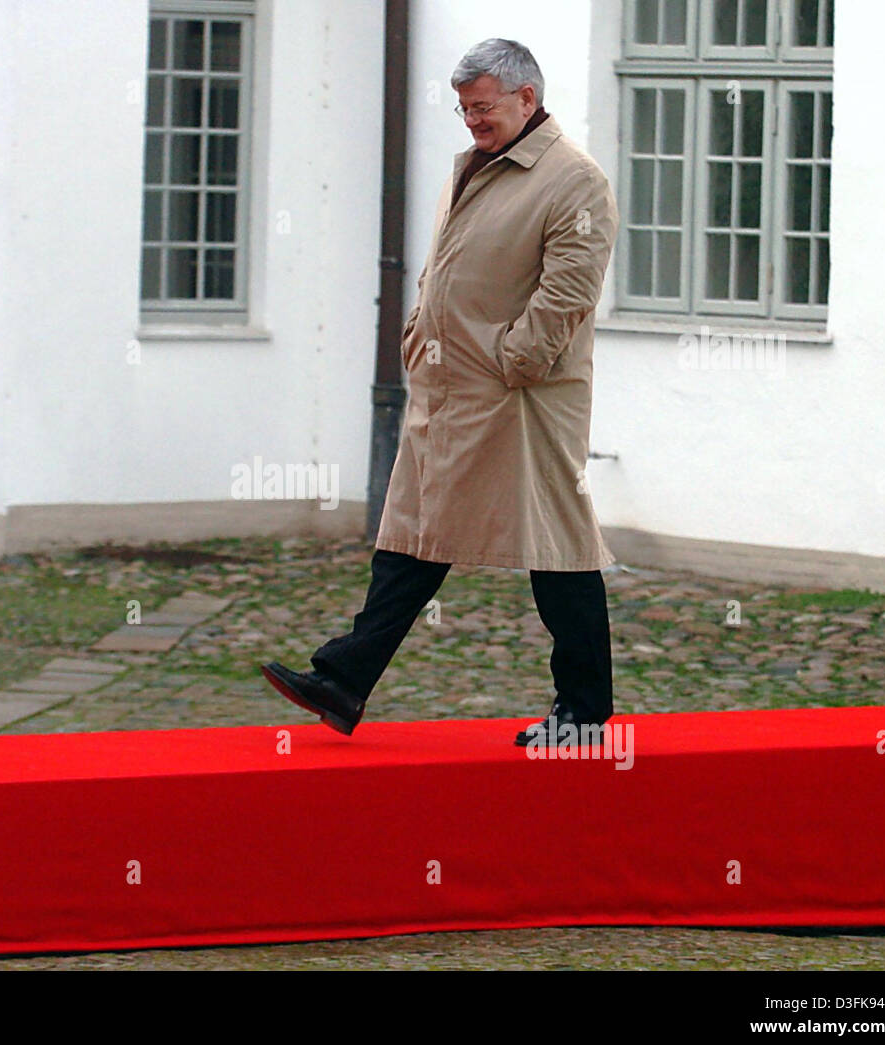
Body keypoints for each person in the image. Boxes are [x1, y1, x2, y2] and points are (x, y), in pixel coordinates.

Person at [262, 38, 619, 748]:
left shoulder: (573, 179)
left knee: (555, 545)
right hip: (451, 388)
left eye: (482, 107)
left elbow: (570, 289)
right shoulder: (480, 165)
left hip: (522, 399)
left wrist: (513, 360)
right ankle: (345, 676)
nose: (471, 122)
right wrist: (421, 332)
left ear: (527, 97)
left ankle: (583, 710)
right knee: (415, 534)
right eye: (463, 109)